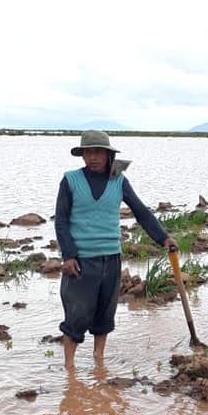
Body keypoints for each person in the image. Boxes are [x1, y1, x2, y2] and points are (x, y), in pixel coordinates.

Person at [55, 130, 177, 371]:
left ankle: (98, 361)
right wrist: (68, 255)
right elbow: (61, 220)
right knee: (76, 315)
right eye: (88, 152)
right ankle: (69, 367)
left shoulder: (119, 181)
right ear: (82, 155)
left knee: (104, 314)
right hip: (81, 260)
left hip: (111, 258)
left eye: (98, 152)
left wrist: (163, 238)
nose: (93, 157)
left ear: (108, 154)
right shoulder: (70, 180)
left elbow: (141, 212)